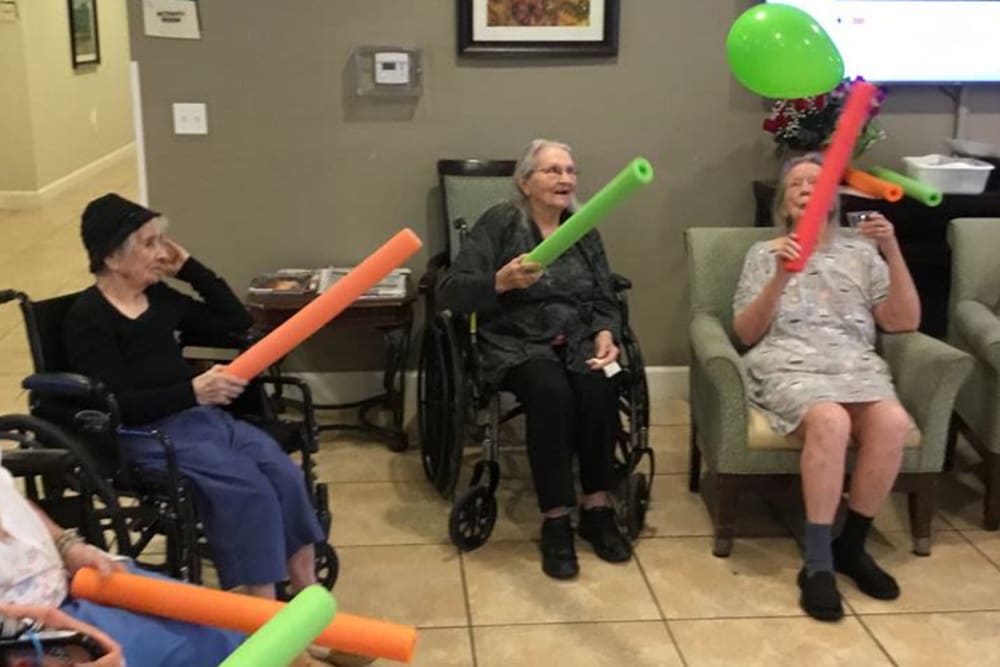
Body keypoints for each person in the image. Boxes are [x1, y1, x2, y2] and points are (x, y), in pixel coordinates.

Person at [62, 193, 326, 601]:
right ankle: (267, 622)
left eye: (161, 242)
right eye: (148, 244)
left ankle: (311, 601)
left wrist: (190, 269)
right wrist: (192, 391)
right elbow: (116, 404)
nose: (160, 253)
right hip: (145, 435)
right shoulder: (88, 319)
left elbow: (236, 323)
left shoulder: (161, 299)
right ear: (113, 258)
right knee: (249, 492)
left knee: (285, 477)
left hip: (202, 421)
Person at [732, 153, 921, 621]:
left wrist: (892, 249)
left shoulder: (861, 252)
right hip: (788, 364)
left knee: (893, 421)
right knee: (830, 419)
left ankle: (851, 546)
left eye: (816, 182)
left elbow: (904, 320)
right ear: (783, 202)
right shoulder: (765, 253)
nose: (805, 188)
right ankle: (817, 563)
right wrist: (782, 275)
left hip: (854, 364)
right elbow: (745, 333)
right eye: (796, 183)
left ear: (834, 198)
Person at [438, 138, 631, 580]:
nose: (565, 178)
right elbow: (453, 290)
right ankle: (556, 517)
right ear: (525, 182)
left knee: (599, 385)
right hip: (517, 340)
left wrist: (607, 332)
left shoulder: (583, 228)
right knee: (550, 394)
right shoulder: (500, 223)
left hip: (580, 338)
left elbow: (605, 295)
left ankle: (597, 505)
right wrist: (501, 281)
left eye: (570, 170)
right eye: (552, 170)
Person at [0, 449, 244, 666]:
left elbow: (12, 503)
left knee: (220, 627)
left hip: (74, 582)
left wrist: (68, 546)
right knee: (180, 652)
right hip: (29, 631)